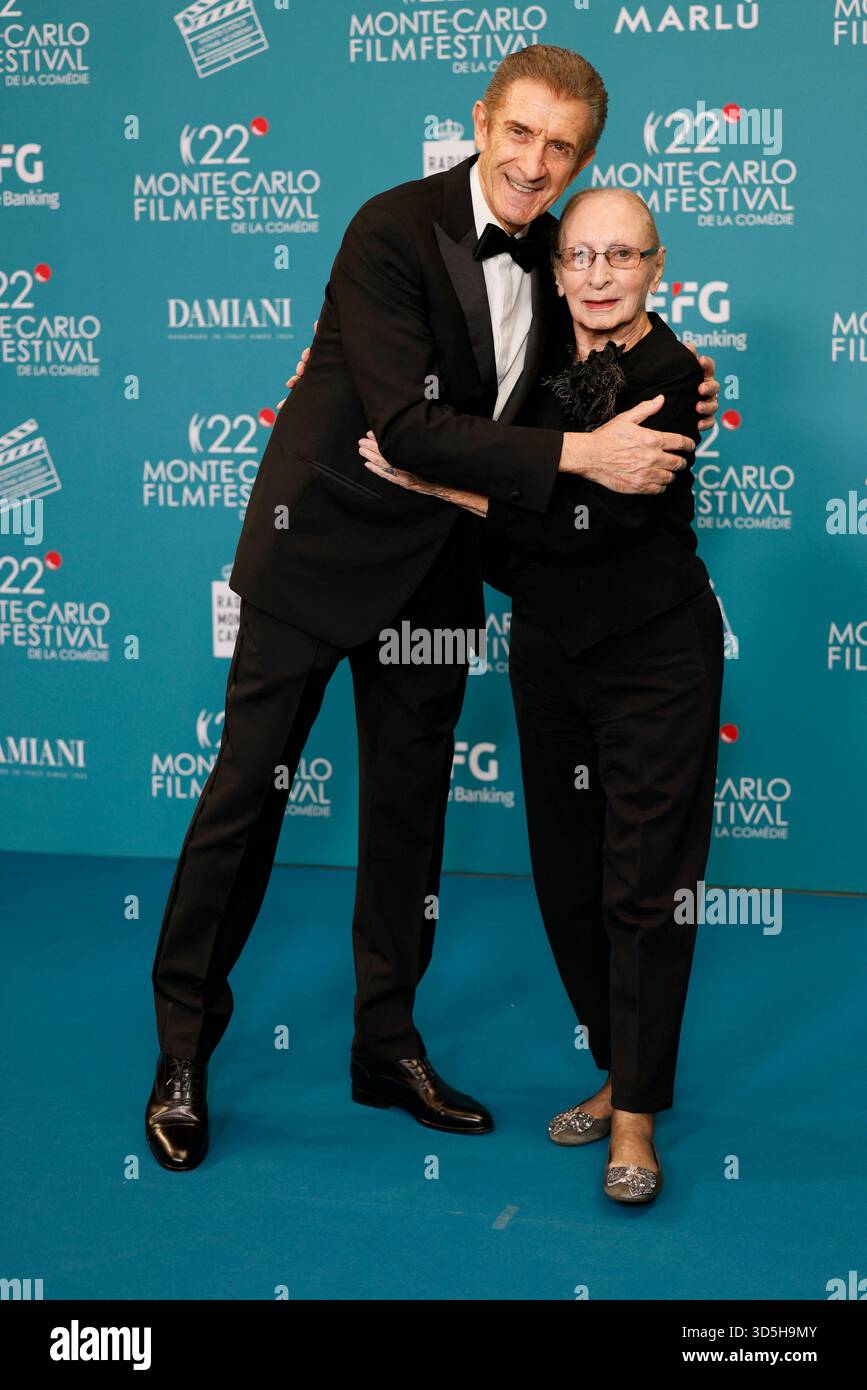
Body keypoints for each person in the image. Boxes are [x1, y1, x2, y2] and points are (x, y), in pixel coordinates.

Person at [145, 45, 719, 1172]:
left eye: (562, 147)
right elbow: (405, 428)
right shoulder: (390, 230)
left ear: (583, 157)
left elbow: (601, 356)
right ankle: (179, 1052)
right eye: (520, 133)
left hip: (443, 566)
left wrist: (676, 375)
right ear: (481, 121)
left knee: (410, 815)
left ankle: (385, 1046)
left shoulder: (563, 261)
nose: (535, 162)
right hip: (319, 554)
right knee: (242, 805)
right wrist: (583, 453)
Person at [359, 187, 724, 1206]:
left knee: (642, 884)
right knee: (566, 881)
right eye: (582, 257)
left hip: (657, 657)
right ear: (556, 268)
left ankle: (640, 1116)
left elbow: (583, 527)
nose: (600, 276)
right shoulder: (530, 365)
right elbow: (516, 506)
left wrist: (446, 489)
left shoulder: (673, 376)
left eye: (624, 257)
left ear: (658, 267)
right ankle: (619, 1067)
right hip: (550, 657)